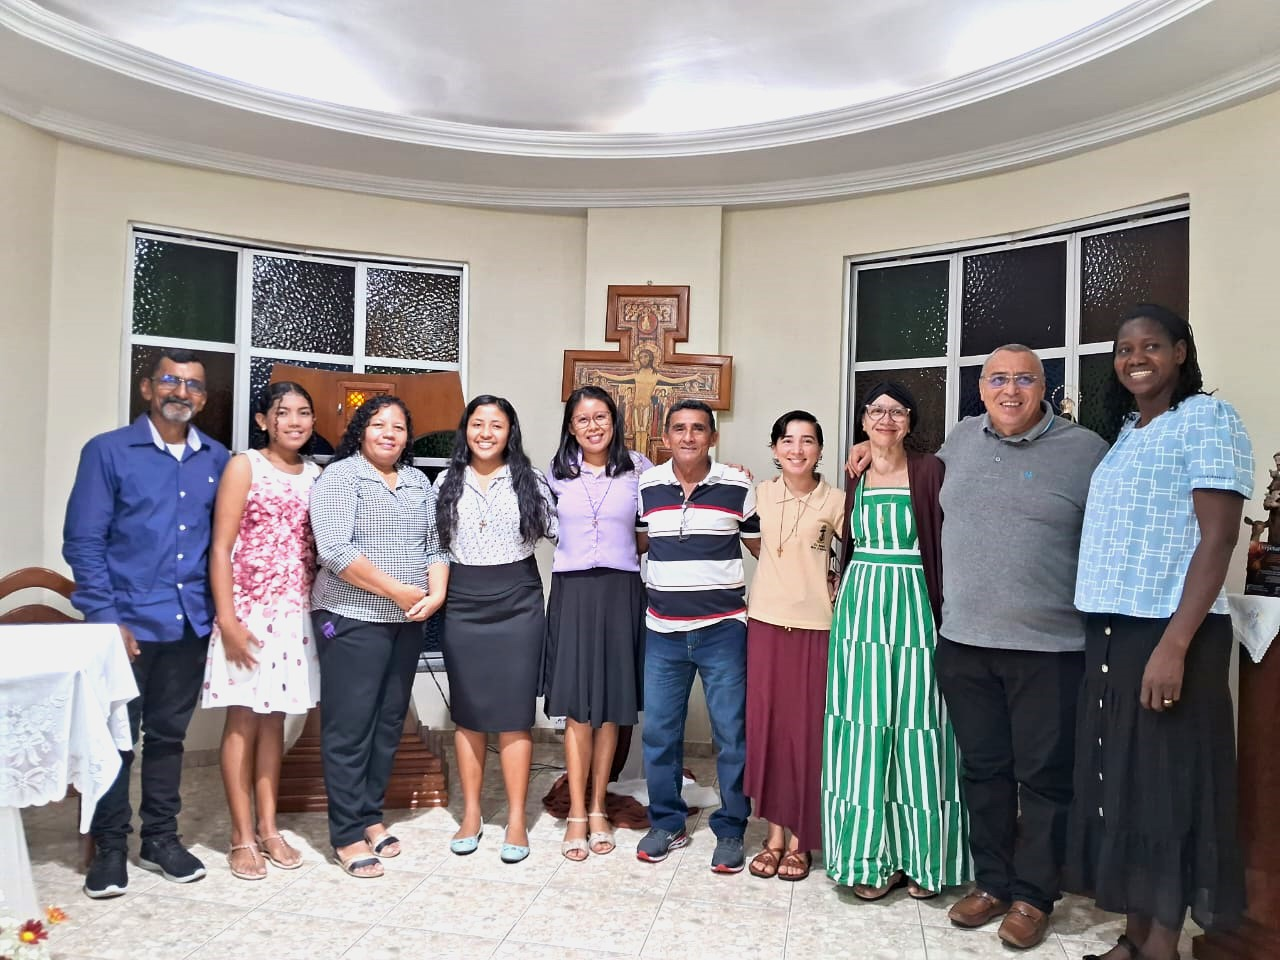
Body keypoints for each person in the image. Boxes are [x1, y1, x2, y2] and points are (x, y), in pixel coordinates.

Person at [845, 344, 1108, 949]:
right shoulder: (961, 441)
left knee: (1043, 779)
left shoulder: (1085, 450)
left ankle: (1033, 896)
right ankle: (992, 881)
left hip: (1049, 647)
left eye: (1024, 379)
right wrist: (871, 446)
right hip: (964, 642)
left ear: (1045, 387)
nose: (1010, 390)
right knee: (983, 771)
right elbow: (912, 473)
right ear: (982, 388)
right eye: (998, 379)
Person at [1067, 305, 1252, 960]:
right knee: (1126, 786)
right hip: (1113, 628)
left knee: (1167, 790)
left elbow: (1219, 538)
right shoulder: (1126, 430)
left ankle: (1162, 947)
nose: (1135, 358)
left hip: (1171, 632)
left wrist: (1174, 644)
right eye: (1124, 349)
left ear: (1179, 352)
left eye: (1150, 346)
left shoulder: (1206, 418)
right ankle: (1135, 935)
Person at [63, 348, 230, 898]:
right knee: (114, 740)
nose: (181, 392)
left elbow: (222, 546)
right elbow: (84, 542)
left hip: (188, 626)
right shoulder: (108, 451)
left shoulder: (216, 459)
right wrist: (106, 618)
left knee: (168, 738)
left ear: (203, 397)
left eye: (193, 385)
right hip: (124, 627)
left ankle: (160, 839)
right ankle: (110, 847)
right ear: (147, 388)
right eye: (170, 381)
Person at [824, 383, 968, 900]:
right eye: (876, 411)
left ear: (911, 421)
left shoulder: (932, 470)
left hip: (915, 604)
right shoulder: (854, 474)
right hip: (861, 609)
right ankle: (868, 858)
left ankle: (924, 858)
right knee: (864, 727)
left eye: (897, 411)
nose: (886, 419)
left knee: (919, 724)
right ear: (863, 420)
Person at [309, 395, 449, 878]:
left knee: (389, 722)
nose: (389, 433)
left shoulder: (416, 481)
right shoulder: (340, 477)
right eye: (378, 424)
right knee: (350, 726)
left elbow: (435, 545)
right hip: (350, 617)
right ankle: (346, 833)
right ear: (361, 430)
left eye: (398, 427)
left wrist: (435, 595)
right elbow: (334, 550)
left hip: (406, 621)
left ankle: (369, 816)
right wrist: (398, 591)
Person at [635, 399, 761, 873]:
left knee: (731, 734)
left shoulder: (737, 485)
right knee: (659, 734)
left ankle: (731, 829)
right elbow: (636, 542)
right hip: (663, 631)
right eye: (679, 429)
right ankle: (667, 822)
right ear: (665, 437)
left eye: (698, 429)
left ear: (713, 437)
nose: (688, 437)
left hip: (723, 630)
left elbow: (766, 548)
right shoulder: (647, 485)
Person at [204, 381, 321, 880]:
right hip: (248, 614)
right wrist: (228, 620)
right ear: (262, 420)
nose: (294, 421)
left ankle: (270, 828)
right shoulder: (244, 466)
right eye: (283, 412)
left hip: (296, 615)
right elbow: (220, 547)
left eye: (303, 412)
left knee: (276, 721)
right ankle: (241, 835)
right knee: (243, 721)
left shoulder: (316, 474)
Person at [434, 395, 557, 864]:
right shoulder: (445, 481)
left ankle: (517, 820)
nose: (486, 433)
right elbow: (433, 545)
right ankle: (471, 815)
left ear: (510, 433)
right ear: (465, 430)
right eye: (477, 424)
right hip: (463, 602)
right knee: (468, 714)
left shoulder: (531, 480)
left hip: (518, 603)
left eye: (496, 425)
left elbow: (563, 531)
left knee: (514, 714)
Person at [544, 386, 652, 861]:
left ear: (614, 421)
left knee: (610, 706)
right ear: (571, 427)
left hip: (620, 591)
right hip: (573, 592)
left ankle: (598, 806)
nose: (593, 426)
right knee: (577, 708)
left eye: (601, 417)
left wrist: (735, 472)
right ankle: (575, 813)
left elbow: (672, 503)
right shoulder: (553, 473)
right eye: (583, 419)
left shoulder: (639, 469)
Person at [743, 411, 843, 882]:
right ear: (774, 449)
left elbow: (859, 553)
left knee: (807, 734)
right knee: (768, 730)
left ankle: (803, 841)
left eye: (807, 441)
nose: (797, 449)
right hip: (764, 624)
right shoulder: (759, 493)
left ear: (820, 450)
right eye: (787, 440)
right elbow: (750, 538)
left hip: (815, 629)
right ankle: (774, 836)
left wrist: (836, 582)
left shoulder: (837, 500)